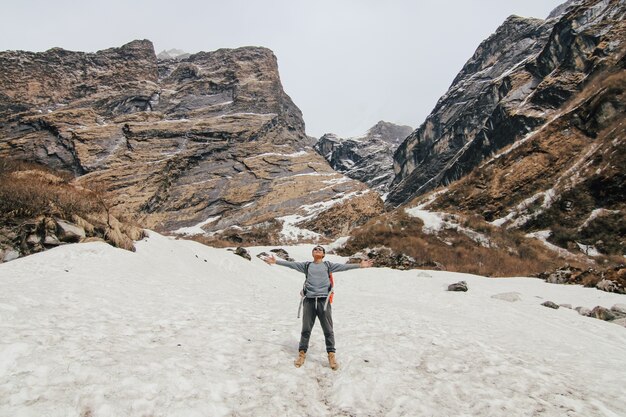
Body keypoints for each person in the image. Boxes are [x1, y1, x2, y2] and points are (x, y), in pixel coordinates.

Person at [262, 245, 373, 370]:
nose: (317, 250)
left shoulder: (328, 265)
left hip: (323, 301)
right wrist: (275, 261)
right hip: (309, 301)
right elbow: (291, 265)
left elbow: (344, 267)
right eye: (315, 249)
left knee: (328, 330)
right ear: (312, 253)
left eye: (320, 249)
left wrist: (360, 265)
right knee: (306, 329)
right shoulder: (307, 266)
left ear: (324, 254)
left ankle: (331, 355)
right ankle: (302, 354)